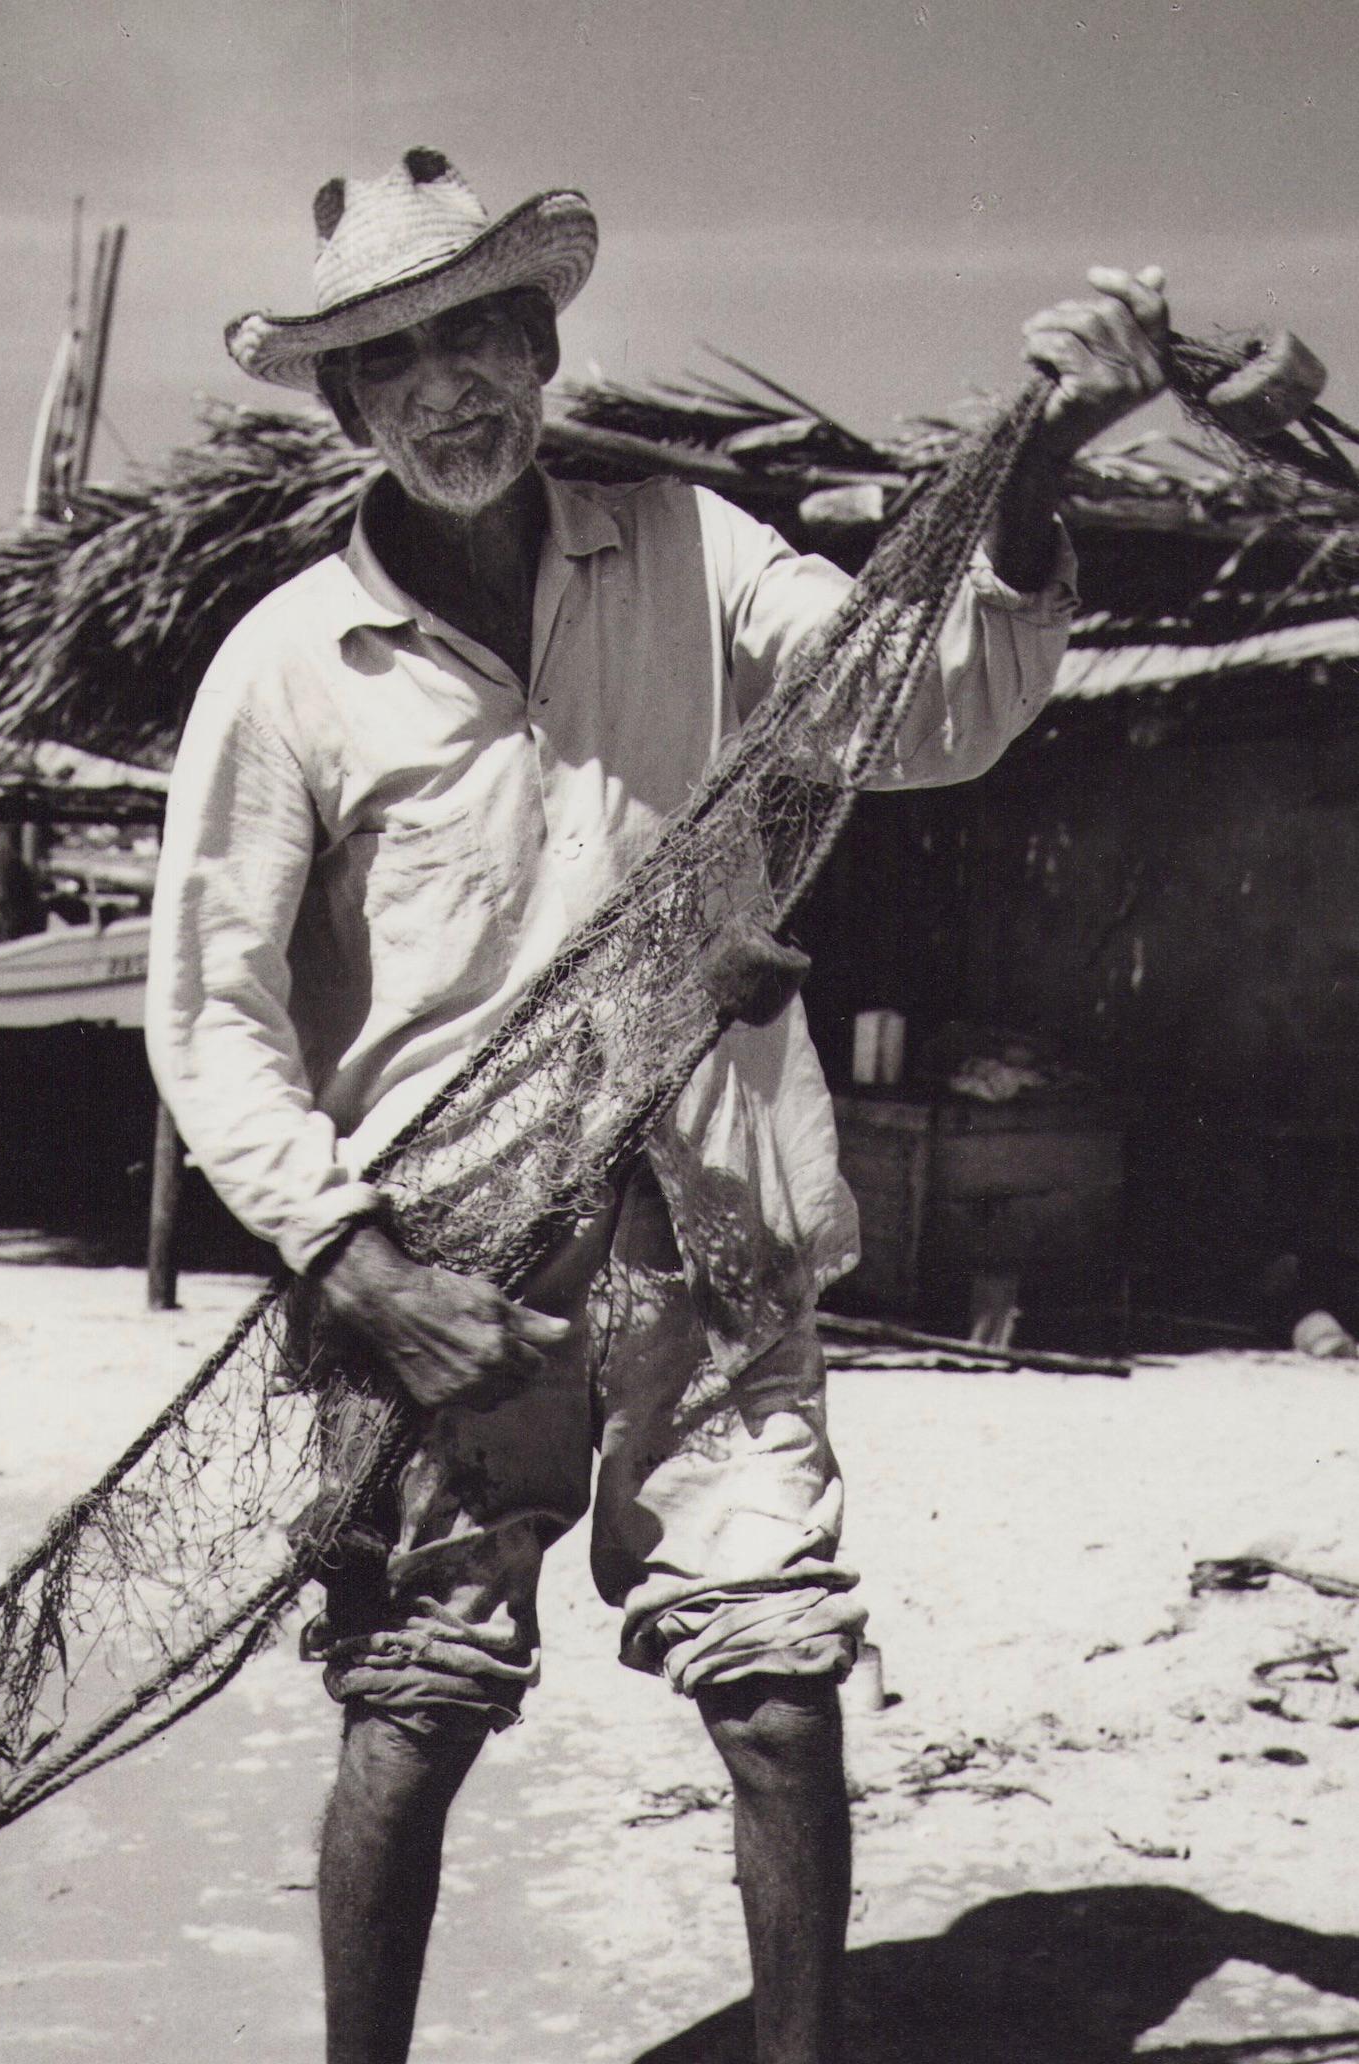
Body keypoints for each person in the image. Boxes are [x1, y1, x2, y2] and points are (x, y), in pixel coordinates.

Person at [146, 146, 1168, 2064]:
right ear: (349, 407)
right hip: (449, 1271)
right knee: (418, 1700)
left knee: (778, 1686)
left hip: (709, 1228)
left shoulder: (694, 552)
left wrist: (1033, 478)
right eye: (393, 363)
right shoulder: (288, 666)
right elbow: (210, 1015)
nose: (445, 387)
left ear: (540, 344)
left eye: (476, 336)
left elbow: (924, 711)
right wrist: (347, 1259)